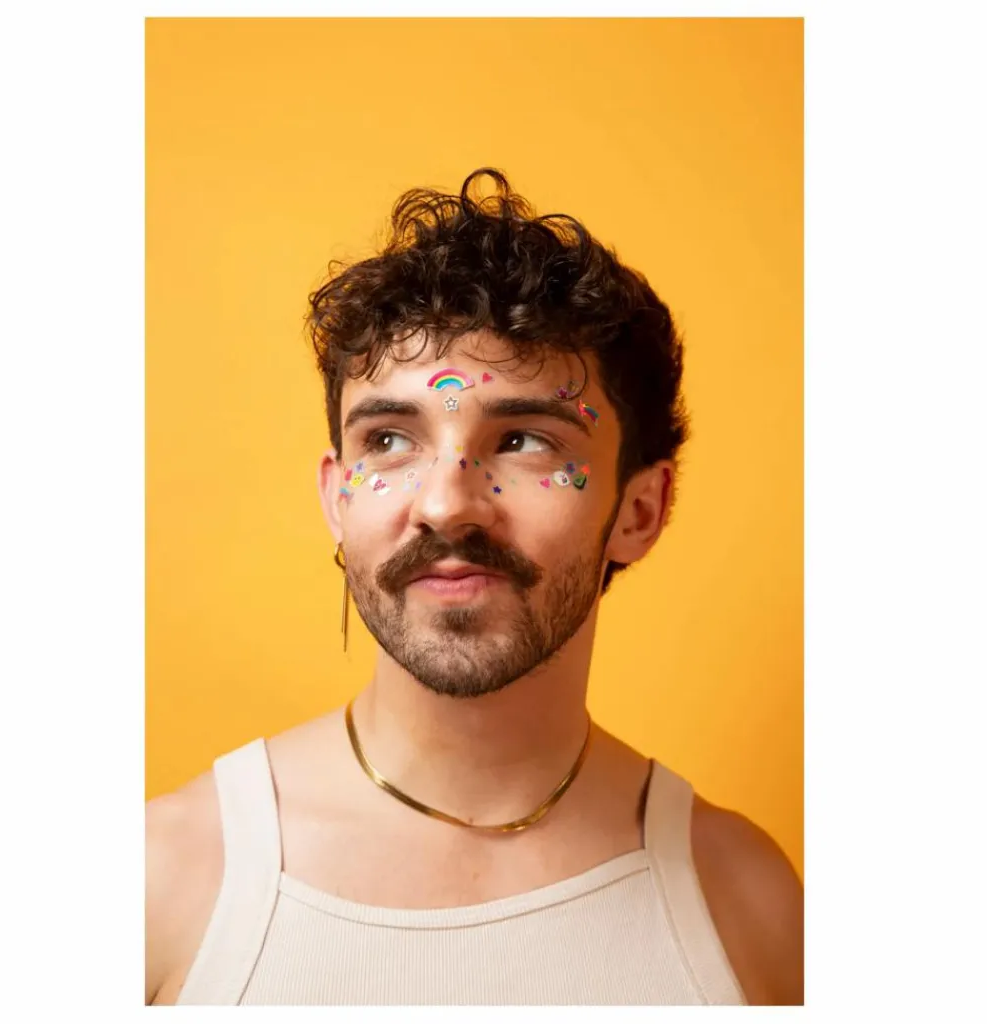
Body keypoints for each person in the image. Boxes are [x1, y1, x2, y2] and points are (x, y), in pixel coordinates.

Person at [145, 168, 803, 1006]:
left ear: (641, 510)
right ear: (336, 498)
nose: (447, 504)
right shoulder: (162, 882)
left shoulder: (746, 906)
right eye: (389, 440)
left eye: (525, 440)